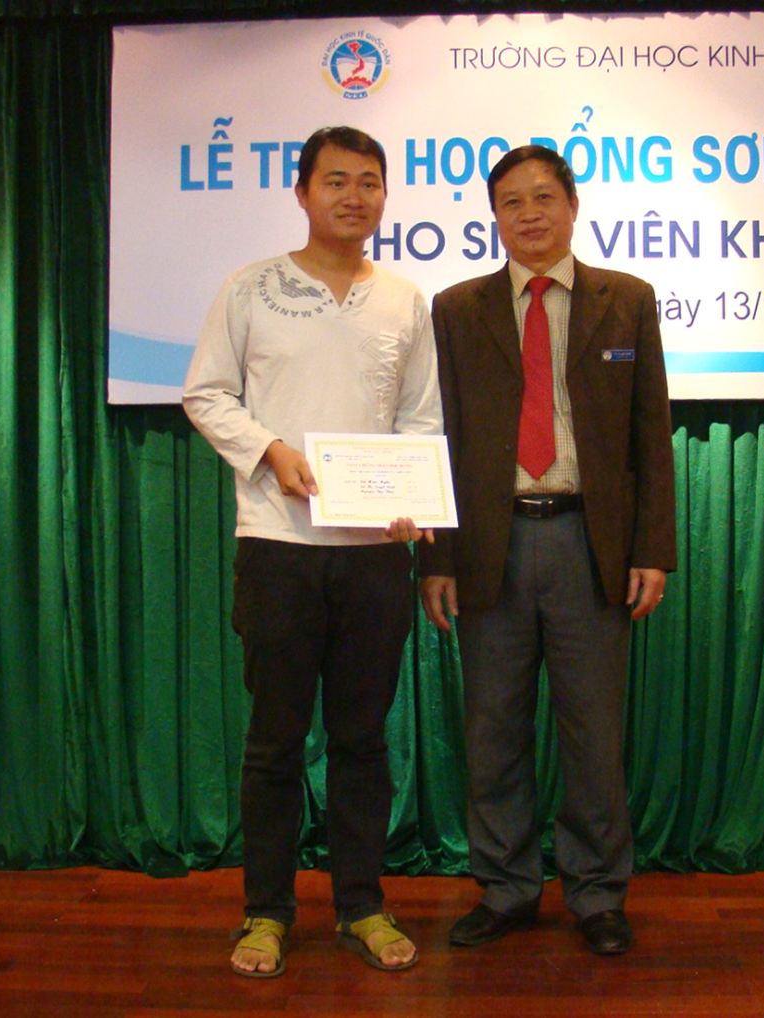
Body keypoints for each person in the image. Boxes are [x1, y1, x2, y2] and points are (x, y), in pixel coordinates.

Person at [182, 125, 440, 978]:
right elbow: (206, 393)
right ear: (301, 192)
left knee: (363, 741)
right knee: (275, 742)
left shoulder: (404, 300)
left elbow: (422, 418)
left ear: (384, 195)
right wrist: (268, 451)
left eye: (369, 182)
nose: (353, 197)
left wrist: (408, 498)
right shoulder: (251, 288)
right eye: (336, 181)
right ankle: (265, 911)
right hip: (278, 547)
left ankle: (362, 905)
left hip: (374, 556)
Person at [418, 145, 676, 956]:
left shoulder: (625, 300)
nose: (528, 214)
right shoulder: (456, 309)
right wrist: (437, 557)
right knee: (492, 727)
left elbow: (650, 434)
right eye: (511, 202)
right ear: (494, 216)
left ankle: (597, 893)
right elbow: (439, 435)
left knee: (593, 732)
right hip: (488, 543)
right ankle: (505, 888)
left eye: (542, 198)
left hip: (587, 540)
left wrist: (652, 549)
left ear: (572, 205)